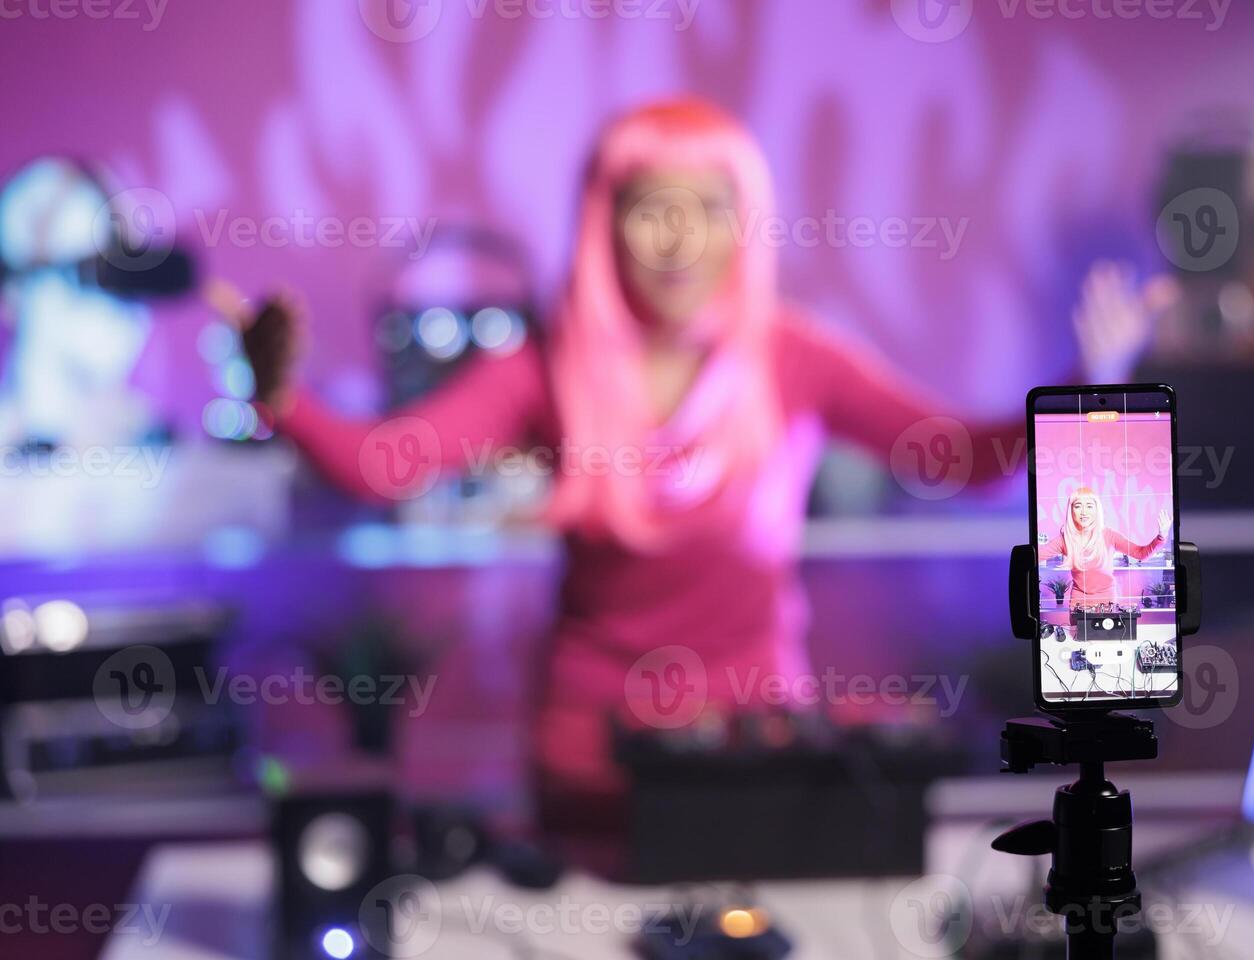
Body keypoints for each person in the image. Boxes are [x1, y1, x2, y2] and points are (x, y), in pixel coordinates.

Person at [227, 98, 1157, 821]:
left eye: (709, 208)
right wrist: (280, 399)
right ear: (605, 222)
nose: (680, 240)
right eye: (649, 209)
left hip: (760, 747)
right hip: (589, 754)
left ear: (743, 221)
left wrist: (1090, 387)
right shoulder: (543, 367)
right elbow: (386, 465)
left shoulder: (795, 357)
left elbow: (958, 459)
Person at [1039, 486, 1171, 608]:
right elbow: (1037, 555)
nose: (1084, 512)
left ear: (1097, 510)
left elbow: (1140, 553)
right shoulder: (1065, 539)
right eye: (1078, 506)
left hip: (1108, 599)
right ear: (1071, 510)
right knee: (1081, 634)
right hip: (1079, 601)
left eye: (1089, 506)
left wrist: (1161, 536)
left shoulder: (1110, 535)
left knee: (1107, 634)